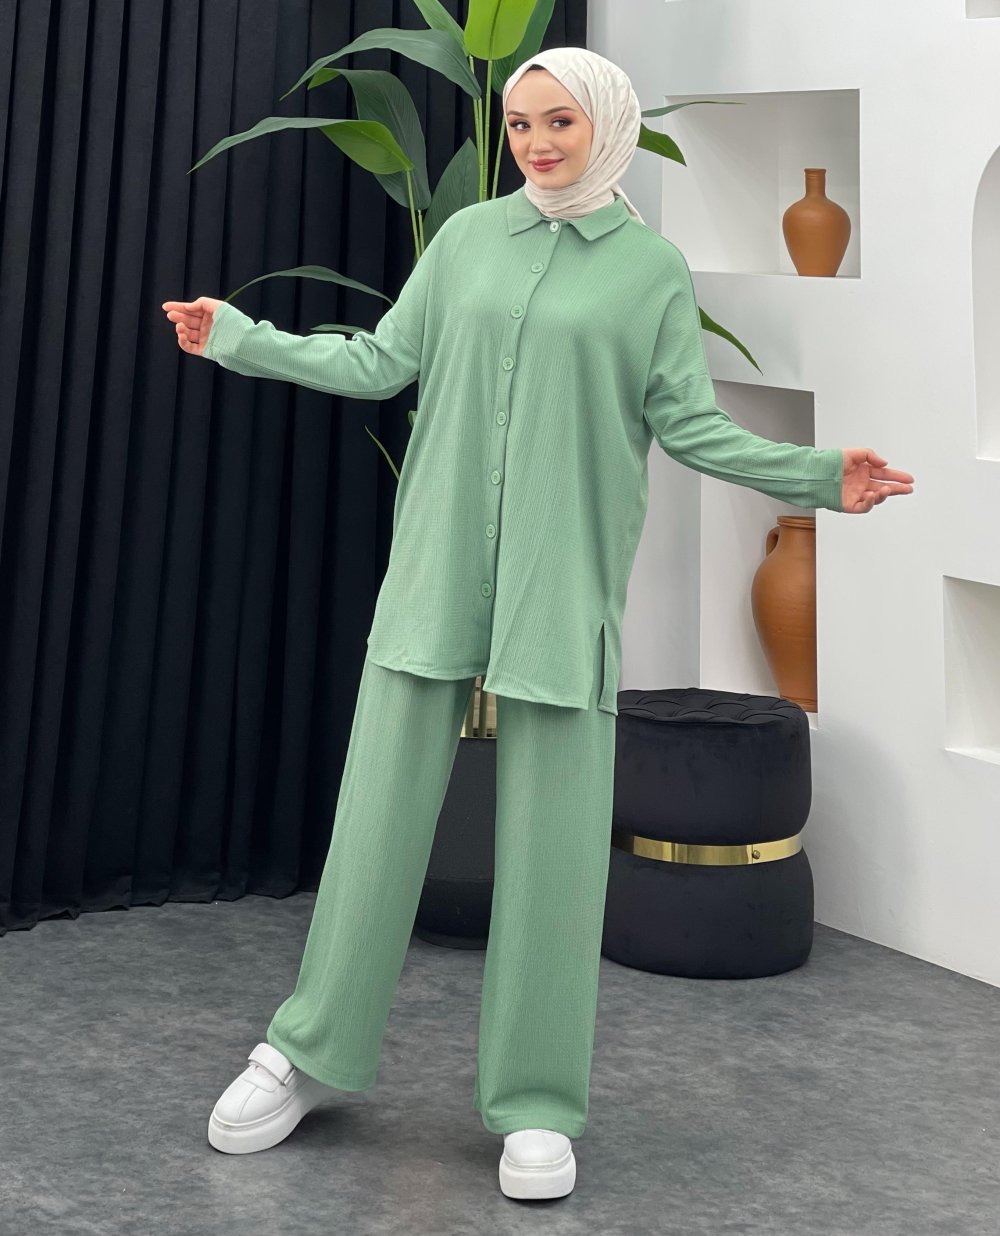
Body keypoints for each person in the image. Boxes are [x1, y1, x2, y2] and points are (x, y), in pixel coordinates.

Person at [162, 46, 914, 1201]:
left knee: (555, 857)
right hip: (434, 573)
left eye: (558, 121)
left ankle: (535, 1102)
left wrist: (817, 475)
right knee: (372, 830)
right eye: (519, 125)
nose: (536, 143)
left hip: (562, 590)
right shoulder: (467, 241)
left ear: (604, 123)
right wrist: (241, 336)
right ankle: (307, 1052)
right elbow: (379, 362)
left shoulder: (650, 271)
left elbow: (691, 425)